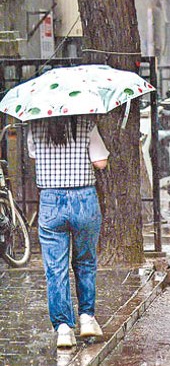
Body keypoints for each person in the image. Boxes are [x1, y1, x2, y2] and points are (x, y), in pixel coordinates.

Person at [27, 115, 109, 348]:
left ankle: (63, 328)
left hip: (51, 199)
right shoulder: (86, 124)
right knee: (85, 261)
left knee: (55, 267)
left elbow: (34, 156)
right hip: (84, 199)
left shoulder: (35, 126)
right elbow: (100, 162)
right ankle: (87, 318)